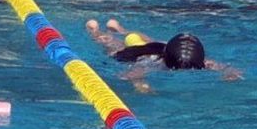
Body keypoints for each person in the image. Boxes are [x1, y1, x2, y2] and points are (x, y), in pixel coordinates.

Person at [84, 18, 239, 87]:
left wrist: (230, 73)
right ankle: (94, 30)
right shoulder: (152, 63)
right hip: (137, 52)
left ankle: (119, 29)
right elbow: (134, 72)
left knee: (143, 39)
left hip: (157, 45)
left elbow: (223, 67)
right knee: (111, 46)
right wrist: (140, 84)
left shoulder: (198, 61)